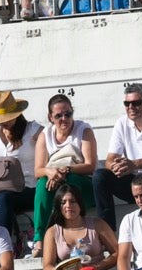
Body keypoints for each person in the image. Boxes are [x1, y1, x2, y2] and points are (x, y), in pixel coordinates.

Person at [0, 88, 41, 247]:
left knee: (4, 198)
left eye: (8, 117)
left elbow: (51, 149)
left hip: (27, 187)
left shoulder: (32, 129)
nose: (4, 121)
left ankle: (1, 248)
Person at [31, 93, 98, 247]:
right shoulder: (45, 135)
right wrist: (51, 172)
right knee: (43, 183)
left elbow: (90, 165)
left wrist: (65, 170)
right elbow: (38, 170)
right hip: (56, 183)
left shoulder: (84, 130)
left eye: (68, 114)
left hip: (82, 183)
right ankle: (39, 238)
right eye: (59, 115)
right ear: (50, 117)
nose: (64, 119)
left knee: (67, 181)